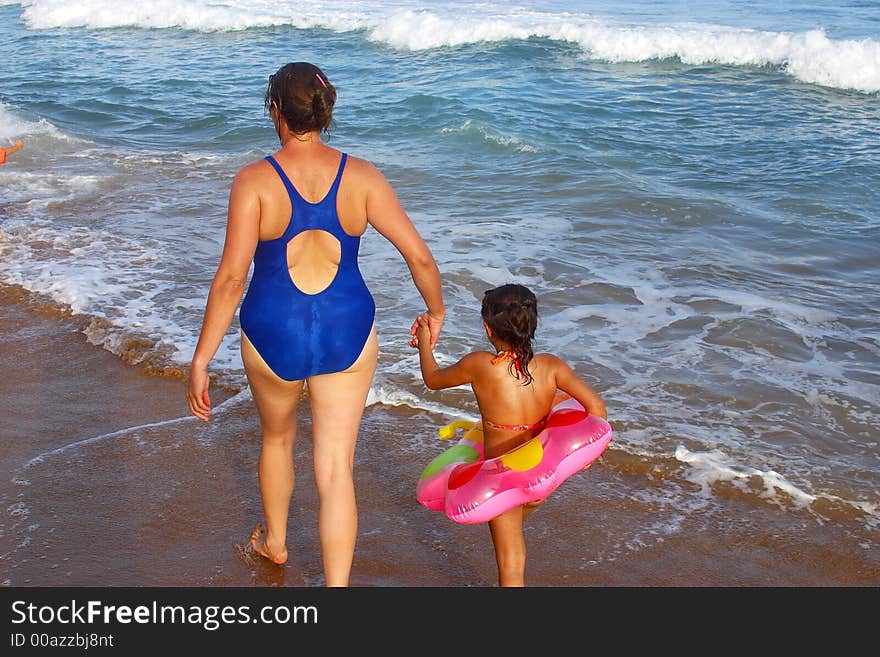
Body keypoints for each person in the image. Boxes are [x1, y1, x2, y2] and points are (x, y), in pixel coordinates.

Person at [186, 62, 445, 586]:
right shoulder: (363, 176)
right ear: (324, 112)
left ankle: (276, 542)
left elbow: (231, 279)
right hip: (346, 331)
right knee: (335, 469)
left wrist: (201, 358)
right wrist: (435, 312)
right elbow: (418, 257)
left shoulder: (254, 180)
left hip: (271, 329)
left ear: (275, 109)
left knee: (277, 439)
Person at [413, 283, 606, 587]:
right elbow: (594, 406)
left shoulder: (479, 365)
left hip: (502, 479)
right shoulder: (551, 366)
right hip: (540, 478)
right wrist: (588, 453)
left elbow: (433, 380)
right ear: (535, 324)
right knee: (511, 532)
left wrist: (425, 342)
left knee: (511, 561)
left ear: (488, 329)